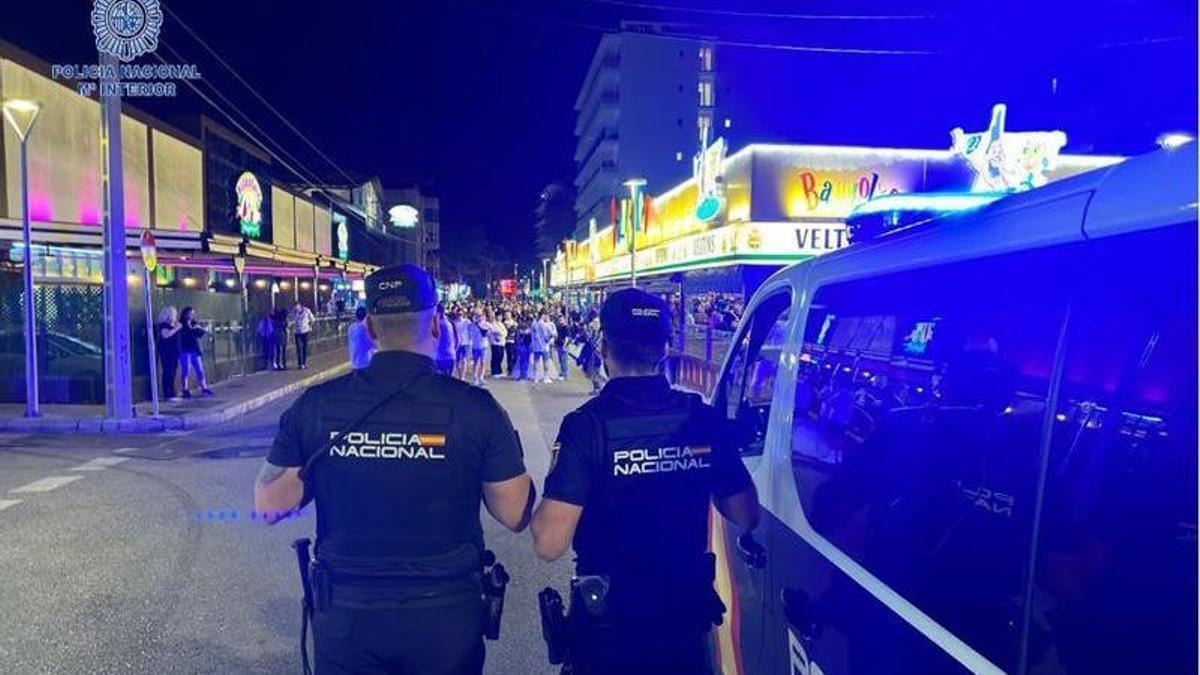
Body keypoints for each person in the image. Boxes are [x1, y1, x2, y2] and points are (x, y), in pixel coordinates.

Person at [255, 264, 535, 675]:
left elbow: (269, 505)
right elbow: (515, 514)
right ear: (436, 325)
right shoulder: (476, 409)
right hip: (445, 618)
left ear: (369, 328)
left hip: (348, 616)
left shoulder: (316, 406)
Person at [531, 288, 761, 675]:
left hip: (611, 625)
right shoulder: (700, 420)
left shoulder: (586, 427)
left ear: (604, 349)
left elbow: (549, 544)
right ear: (665, 347)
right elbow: (746, 513)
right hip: (682, 618)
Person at [178, 306, 214, 398]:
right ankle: (185, 389)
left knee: (199, 369)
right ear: (185, 314)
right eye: (190, 313)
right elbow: (183, 335)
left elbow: (200, 334)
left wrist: (200, 328)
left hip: (194, 349)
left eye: (193, 313)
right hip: (185, 349)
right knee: (185, 370)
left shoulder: (194, 323)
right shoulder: (181, 324)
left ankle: (204, 387)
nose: (191, 315)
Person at [156, 306, 182, 401]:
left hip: (174, 351)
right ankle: (168, 393)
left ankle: (172, 391)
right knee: (168, 371)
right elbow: (165, 335)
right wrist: (176, 328)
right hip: (167, 352)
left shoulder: (174, 324)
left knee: (173, 371)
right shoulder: (164, 325)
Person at [530, 312, 557, 383]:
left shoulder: (534, 324)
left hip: (536, 346)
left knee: (536, 361)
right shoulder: (546, 325)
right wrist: (552, 337)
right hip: (545, 346)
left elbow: (532, 335)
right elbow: (552, 334)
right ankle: (546, 377)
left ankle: (535, 377)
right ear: (543, 316)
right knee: (546, 361)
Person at [347, 306, 376, 371]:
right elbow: (373, 345)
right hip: (364, 365)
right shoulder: (364, 329)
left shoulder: (351, 327)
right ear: (366, 317)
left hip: (354, 364)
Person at [467, 310, 491, 386]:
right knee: (476, 362)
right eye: (477, 316)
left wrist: (488, 333)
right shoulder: (471, 325)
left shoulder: (486, 324)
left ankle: (481, 377)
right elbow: (470, 335)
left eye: (480, 315)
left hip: (484, 346)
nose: (479, 317)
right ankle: (475, 377)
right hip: (476, 346)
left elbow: (491, 331)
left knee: (483, 362)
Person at [291, 302, 316, 370]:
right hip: (297, 332)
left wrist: (310, 326)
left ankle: (304, 363)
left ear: (300, 306)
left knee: (304, 347)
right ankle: (300, 363)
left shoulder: (307, 311)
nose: (296, 308)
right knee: (298, 348)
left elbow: (313, 319)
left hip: (305, 331)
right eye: (295, 307)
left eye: (297, 307)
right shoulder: (294, 312)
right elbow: (291, 319)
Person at [435, 304, 458, 376]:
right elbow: (457, 339)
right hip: (451, 356)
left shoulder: (437, 324)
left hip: (439, 358)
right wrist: (453, 350)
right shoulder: (450, 322)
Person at [488, 310, 508, 378]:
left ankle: (499, 371)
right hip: (496, 343)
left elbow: (505, 332)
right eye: (499, 316)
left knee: (500, 357)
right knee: (496, 357)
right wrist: (501, 333)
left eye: (501, 316)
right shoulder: (494, 324)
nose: (500, 317)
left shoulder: (501, 323)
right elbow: (496, 331)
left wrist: (502, 333)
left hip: (502, 343)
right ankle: (494, 372)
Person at [454, 310, 472, 380]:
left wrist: (470, 339)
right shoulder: (454, 323)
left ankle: (463, 377)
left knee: (464, 360)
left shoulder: (467, 322)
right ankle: (460, 375)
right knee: (458, 361)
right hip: (457, 344)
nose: (460, 315)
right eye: (459, 314)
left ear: (463, 314)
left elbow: (471, 330)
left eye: (461, 314)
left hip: (465, 343)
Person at [554, 312, 571, 381]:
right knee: (561, 360)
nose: (561, 321)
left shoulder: (566, 328)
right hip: (559, 345)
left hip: (564, 346)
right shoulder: (558, 327)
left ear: (564, 320)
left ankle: (565, 375)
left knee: (564, 361)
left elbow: (567, 338)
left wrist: (564, 346)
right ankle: (562, 373)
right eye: (560, 320)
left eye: (562, 320)